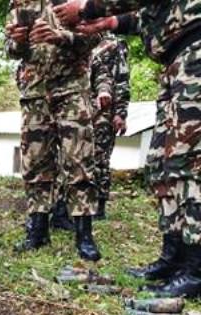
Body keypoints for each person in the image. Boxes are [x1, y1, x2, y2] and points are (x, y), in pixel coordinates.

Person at [55, 1, 201, 297]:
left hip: (195, 53)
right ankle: (173, 257)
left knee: (189, 163)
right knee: (161, 164)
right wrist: (110, 23)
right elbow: (150, 13)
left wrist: (86, 8)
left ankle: (196, 268)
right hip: (175, 62)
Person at [6, 0, 102, 261]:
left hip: (71, 90)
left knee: (78, 161)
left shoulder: (75, 3)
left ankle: (84, 234)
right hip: (35, 93)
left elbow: (96, 36)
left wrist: (61, 37)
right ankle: (37, 231)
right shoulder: (20, 4)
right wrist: (19, 41)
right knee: (35, 164)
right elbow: (12, 51)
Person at [90, 33, 130, 220]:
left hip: (104, 111)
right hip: (78, 110)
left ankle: (99, 205)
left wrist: (120, 113)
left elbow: (122, 80)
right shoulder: (78, 39)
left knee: (100, 158)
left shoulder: (113, 44)